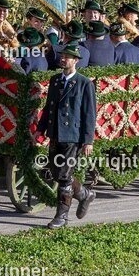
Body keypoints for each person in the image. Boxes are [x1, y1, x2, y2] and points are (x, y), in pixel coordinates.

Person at [38, 41, 96, 229]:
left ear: (76, 60)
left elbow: (89, 114)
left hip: (73, 136)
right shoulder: (55, 80)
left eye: (67, 57)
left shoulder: (84, 83)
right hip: (55, 133)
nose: (63, 59)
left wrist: (88, 140)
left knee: (64, 175)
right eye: (62, 56)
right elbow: (48, 108)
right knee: (56, 173)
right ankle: (85, 194)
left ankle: (61, 217)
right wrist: (40, 129)